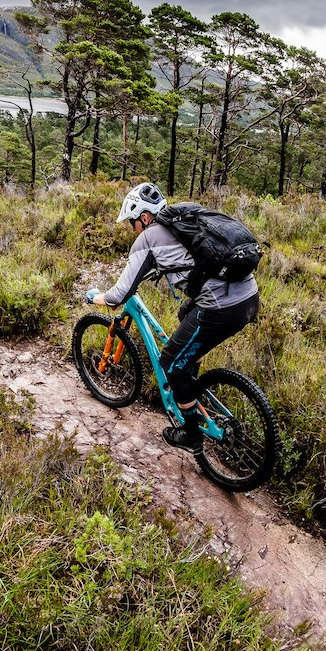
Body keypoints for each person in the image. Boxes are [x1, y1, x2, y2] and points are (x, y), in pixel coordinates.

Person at [86, 182, 260, 453]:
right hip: (248, 296)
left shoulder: (148, 237)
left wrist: (96, 298)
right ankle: (190, 381)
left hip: (221, 307)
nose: (133, 229)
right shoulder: (183, 218)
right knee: (184, 313)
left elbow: (118, 295)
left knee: (171, 363)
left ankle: (191, 433)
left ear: (144, 217)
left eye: (133, 222)